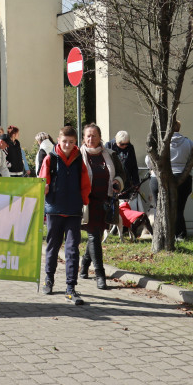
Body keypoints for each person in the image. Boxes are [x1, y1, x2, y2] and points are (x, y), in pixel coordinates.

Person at [39, 126, 90, 305]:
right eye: (64, 141)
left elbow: (85, 182)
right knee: (53, 245)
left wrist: (83, 201)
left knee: (72, 249)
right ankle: (49, 279)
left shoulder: (78, 160)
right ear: (58, 141)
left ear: (76, 142)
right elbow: (43, 179)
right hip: (54, 209)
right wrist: (44, 188)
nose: (67, 145)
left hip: (74, 210)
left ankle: (71, 287)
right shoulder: (50, 158)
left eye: (71, 142)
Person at [79, 124, 121, 290]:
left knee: (95, 234)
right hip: (87, 203)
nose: (91, 139)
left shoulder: (110, 154)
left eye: (94, 136)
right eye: (88, 136)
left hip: (105, 202)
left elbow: (121, 173)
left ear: (100, 137)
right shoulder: (78, 155)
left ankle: (83, 266)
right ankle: (100, 274)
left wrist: (117, 181)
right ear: (84, 138)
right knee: (94, 236)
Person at [151, 120, 193, 241]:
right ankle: (180, 235)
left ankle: (159, 236)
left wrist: (154, 170)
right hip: (182, 179)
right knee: (179, 209)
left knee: (159, 208)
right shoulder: (188, 143)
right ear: (179, 128)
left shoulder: (160, 143)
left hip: (159, 178)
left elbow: (148, 159)